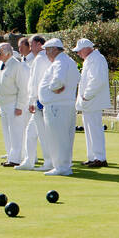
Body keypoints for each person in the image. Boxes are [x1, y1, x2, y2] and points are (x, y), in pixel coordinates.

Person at [37, 38, 79, 176]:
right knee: (65, 137)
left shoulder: (60, 62)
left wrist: (53, 87)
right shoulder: (69, 61)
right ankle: (65, 165)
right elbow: (77, 77)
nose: (46, 54)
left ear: (54, 49)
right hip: (65, 104)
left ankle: (61, 167)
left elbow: (58, 80)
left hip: (57, 106)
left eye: (47, 51)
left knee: (57, 137)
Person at [74, 38, 110, 167]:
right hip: (88, 101)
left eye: (79, 51)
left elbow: (97, 80)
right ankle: (93, 156)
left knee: (94, 129)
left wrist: (87, 95)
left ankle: (100, 158)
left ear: (86, 49)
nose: (78, 54)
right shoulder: (89, 60)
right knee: (89, 129)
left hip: (93, 100)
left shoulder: (97, 59)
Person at [19, 35, 51, 171]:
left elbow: (36, 82)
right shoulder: (44, 58)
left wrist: (33, 100)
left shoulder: (40, 59)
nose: (30, 48)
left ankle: (48, 162)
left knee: (42, 134)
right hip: (39, 101)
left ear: (39, 44)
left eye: (31, 45)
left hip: (40, 102)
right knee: (30, 132)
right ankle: (29, 161)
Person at [0, 41, 29, 164]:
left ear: (8, 53)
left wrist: (19, 106)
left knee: (16, 131)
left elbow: (23, 88)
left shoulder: (17, 65)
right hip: (3, 103)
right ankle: (10, 155)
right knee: (6, 131)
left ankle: (16, 159)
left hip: (13, 102)